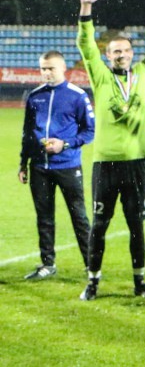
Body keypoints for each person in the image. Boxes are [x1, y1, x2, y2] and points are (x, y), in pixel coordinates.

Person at [76, 0, 145, 300]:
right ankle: (92, 282)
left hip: (136, 163)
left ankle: (139, 283)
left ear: (133, 53)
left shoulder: (144, 72)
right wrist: (86, 8)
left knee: (136, 226)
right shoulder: (101, 77)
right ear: (108, 56)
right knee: (99, 225)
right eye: (115, 51)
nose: (121, 54)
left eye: (125, 50)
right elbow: (85, 45)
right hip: (105, 163)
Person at [19, 50, 95, 280]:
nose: (46, 72)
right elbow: (27, 132)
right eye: (43, 68)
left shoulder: (77, 96)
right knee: (44, 217)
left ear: (63, 68)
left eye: (51, 68)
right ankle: (47, 264)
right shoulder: (35, 96)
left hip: (68, 166)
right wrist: (23, 163)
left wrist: (65, 144)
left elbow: (89, 131)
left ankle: (91, 265)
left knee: (79, 216)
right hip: (39, 167)